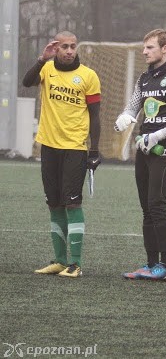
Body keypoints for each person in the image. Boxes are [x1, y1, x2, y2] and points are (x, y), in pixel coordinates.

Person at [115, 29, 166, 281]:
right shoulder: (143, 78)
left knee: (157, 205)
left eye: (150, 47)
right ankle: (151, 265)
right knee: (146, 209)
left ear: (165, 49)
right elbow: (134, 104)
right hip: (144, 148)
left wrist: (158, 135)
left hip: (165, 149)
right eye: (144, 47)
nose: (144, 51)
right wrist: (126, 115)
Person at [23, 31, 101, 278]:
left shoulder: (88, 76)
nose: (69, 50)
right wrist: (40, 59)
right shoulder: (46, 69)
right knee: (54, 203)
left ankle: (75, 264)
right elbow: (26, 82)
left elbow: (96, 115)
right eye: (64, 46)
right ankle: (59, 260)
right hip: (48, 146)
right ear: (56, 49)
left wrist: (95, 150)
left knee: (72, 202)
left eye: (72, 46)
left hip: (75, 148)